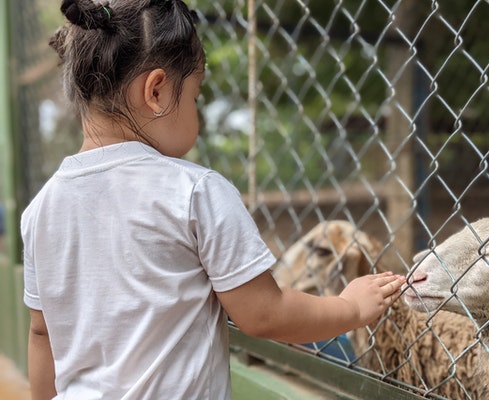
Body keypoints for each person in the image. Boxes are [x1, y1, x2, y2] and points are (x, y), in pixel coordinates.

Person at [21, 1, 404, 399]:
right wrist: (351, 309)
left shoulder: (41, 209)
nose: (197, 116)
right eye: (194, 97)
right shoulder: (194, 191)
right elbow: (264, 313)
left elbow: (41, 332)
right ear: (156, 91)